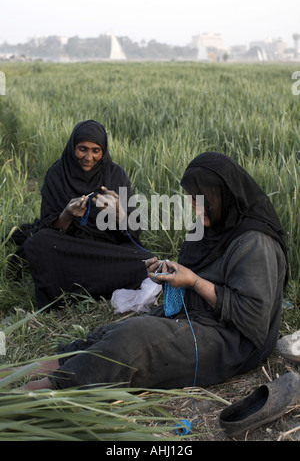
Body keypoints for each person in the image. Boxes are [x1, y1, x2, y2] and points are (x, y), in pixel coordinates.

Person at [14, 151, 288, 391]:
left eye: (201, 199)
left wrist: (192, 281)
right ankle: (27, 370)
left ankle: (46, 388)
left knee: (133, 341)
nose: (194, 206)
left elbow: (253, 318)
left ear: (224, 196)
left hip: (233, 339)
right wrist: (169, 271)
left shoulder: (255, 242)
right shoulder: (211, 222)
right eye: (191, 198)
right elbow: (197, 272)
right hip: (199, 314)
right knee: (114, 332)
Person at [17, 120, 152, 309]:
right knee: (38, 243)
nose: (89, 157)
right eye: (82, 149)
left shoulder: (115, 175)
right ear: (73, 147)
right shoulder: (56, 175)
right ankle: (94, 286)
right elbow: (48, 227)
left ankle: (72, 285)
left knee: (145, 261)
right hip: (72, 246)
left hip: (108, 248)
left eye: (96, 150)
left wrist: (119, 213)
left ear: (103, 151)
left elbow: (134, 232)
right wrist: (67, 215)